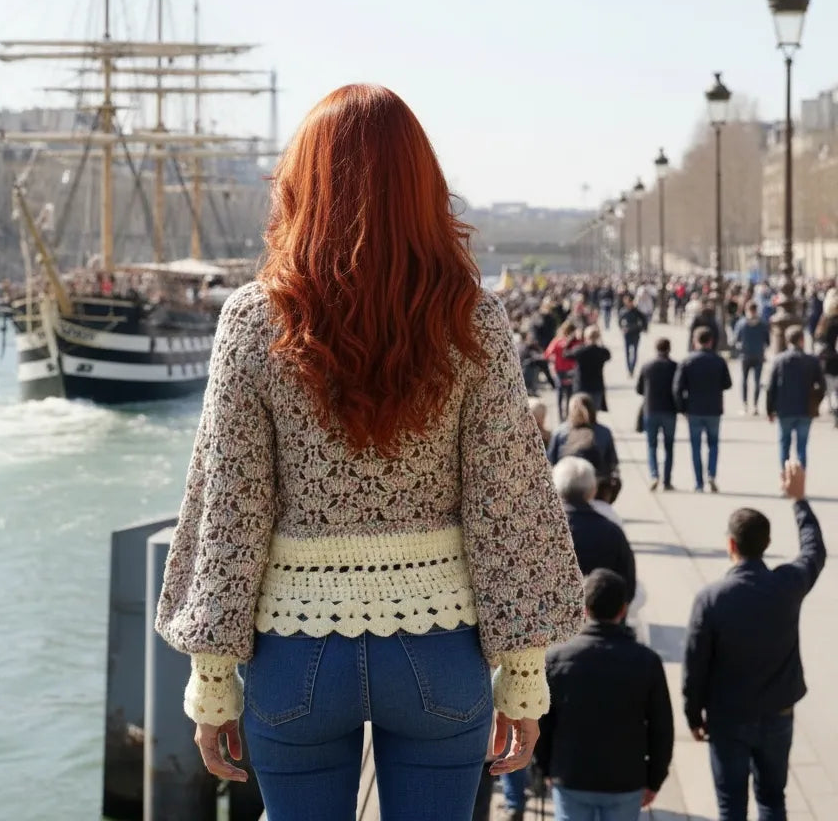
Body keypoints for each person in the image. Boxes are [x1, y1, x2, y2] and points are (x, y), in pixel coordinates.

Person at [154, 84, 584, 821]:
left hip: (294, 650)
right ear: (423, 189)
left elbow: (232, 510)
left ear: (301, 186)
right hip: (439, 644)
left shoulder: (254, 319)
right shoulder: (472, 319)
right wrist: (523, 677)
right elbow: (506, 504)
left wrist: (212, 682)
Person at [683, 461, 826, 821]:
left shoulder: (712, 599)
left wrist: (692, 713)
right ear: (767, 544)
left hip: (728, 717)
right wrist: (800, 501)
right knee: (772, 799)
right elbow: (814, 552)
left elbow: (695, 665)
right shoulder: (786, 584)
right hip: (778, 712)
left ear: (730, 544)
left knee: (731, 805)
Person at [536, 569, 673, 821]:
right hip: (625, 779)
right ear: (623, 610)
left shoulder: (556, 659)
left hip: (571, 775)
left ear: (584, 609)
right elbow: (662, 728)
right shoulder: (646, 661)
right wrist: (654, 779)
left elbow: (543, 722)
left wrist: (545, 767)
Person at [551, 457, 636, 603]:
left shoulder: (539, 531)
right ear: (592, 490)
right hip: (598, 615)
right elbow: (628, 585)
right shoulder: (612, 533)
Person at [673, 326, 732, 492]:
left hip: (694, 408)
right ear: (711, 341)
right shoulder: (719, 360)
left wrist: (681, 408)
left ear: (695, 341)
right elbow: (727, 384)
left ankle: (698, 482)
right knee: (713, 444)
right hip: (714, 408)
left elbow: (677, 387)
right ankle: (711, 474)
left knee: (696, 446)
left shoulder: (687, 361)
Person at [765, 325, 826, 469]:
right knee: (802, 447)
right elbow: (822, 386)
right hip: (805, 409)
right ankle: (800, 480)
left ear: (787, 341)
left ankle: (785, 479)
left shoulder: (779, 360)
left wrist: (770, 409)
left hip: (784, 409)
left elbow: (770, 387)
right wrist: (816, 402)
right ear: (802, 340)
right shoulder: (811, 360)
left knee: (784, 446)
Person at [548, 393, 620, 503]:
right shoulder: (604, 433)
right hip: (596, 489)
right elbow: (612, 462)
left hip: (564, 487)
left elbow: (550, 462)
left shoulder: (559, 433)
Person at [636, 337, 678, 492]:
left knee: (651, 445)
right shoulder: (675, 366)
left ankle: (654, 474)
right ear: (669, 349)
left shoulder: (647, 366)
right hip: (669, 410)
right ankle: (667, 480)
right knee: (669, 446)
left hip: (651, 409)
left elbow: (639, 389)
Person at [733, 301, 771, 415]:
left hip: (745, 355)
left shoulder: (741, 323)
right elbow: (768, 341)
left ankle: (745, 405)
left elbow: (736, 340)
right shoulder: (763, 324)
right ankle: (755, 406)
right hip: (759, 355)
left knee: (744, 380)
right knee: (757, 381)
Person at [564, 325, 611, 413]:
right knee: (593, 414)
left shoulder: (580, 351)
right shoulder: (601, 352)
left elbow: (565, 354)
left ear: (585, 337)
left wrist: (572, 338)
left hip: (582, 386)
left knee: (581, 413)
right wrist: (600, 340)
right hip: (596, 387)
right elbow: (608, 354)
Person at [545, 320, 582, 423]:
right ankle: (569, 418)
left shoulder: (557, 341)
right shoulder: (576, 342)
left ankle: (561, 419)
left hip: (559, 370)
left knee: (560, 395)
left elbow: (547, 354)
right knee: (570, 395)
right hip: (571, 371)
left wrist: (554, 360)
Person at [814, 288, 838, 427]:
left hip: (828, 361)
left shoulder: (824, 322)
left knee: (831, 389)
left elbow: (818, 339)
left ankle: (834, 410)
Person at [618, 294, 647, 378]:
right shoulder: (623, 311)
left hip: (635, 333)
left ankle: (632, 368)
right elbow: (619, 321)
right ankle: (629, 369)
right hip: (627, 334)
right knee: (627, 352)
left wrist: (642, 328)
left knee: (634, 352)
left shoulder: (636, 311)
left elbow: (643, 320)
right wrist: (622, 328)